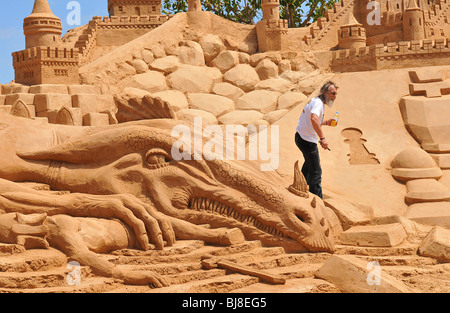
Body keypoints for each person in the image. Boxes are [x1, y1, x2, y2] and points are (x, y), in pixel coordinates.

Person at [294, 81, 338, 199]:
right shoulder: (318, 103)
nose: (334, 96)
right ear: (324, 92)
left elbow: (313, 120)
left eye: (335, 94)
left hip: (300, 137)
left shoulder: (315, 101)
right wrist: (323, 138)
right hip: (307, 141)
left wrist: (326, 123)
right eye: (333, 93)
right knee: (316, 173)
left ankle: (299, 188)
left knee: (309, 164)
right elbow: (313, 119)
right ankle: (317, 201)